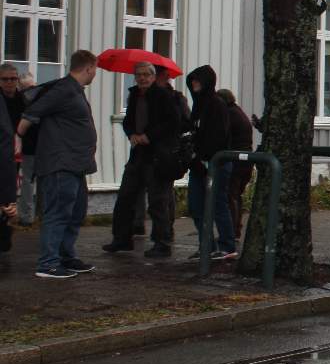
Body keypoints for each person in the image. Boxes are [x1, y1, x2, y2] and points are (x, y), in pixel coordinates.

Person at [18, 50, 99, 279]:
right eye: (95, 69)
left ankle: (66, 256)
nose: (95, 73)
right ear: (89, 68)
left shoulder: (74, 90)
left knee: (75, 213)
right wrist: (20, 133)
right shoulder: (64, 89)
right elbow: (32, 113)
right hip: (59, 165)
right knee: (58, 213)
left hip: (75, 164)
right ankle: (48, 263)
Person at [104, 62, 181, 258]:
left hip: (157, 155)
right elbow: (128, 120)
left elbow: (173, 122)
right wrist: (131, 134)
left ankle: (162, 242)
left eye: (147, 74)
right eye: (139, 75)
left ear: (154, 77)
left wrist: (150, 136)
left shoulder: (164, 95)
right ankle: (121, 238)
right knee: (125, 196)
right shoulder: (134, 95)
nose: (143, 78)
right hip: (138, 152)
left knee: (157, 201)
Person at [186, 65, 237, 259]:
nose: (194, 84)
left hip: (216, 163)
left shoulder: (216, 104)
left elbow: (219, 136)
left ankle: (227, 244)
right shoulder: (198, 105)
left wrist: (205, 156)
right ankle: (207, 244)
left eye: (198, 81)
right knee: (196, 206)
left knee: (217, 203)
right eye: (192, 81)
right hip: (198, 164)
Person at [216, 88, 255, 240]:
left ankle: (231, 231)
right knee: (236, 195)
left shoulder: (229, 114)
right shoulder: (238, 112)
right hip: (246, 160)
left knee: (230, 195)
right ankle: (236, 228)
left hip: (236, 160)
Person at [0, 66, 19, 251]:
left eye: (13, 79)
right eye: (5, 79)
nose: (9, 83)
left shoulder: (22, 99)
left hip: (16, 151)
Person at [16, 71, 37, 226]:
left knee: (28, 182)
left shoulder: (21, 100)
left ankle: (27, 216)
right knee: (28, 182)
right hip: (29, 148)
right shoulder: (39, 100)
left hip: (37, 147)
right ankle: (27, 216)